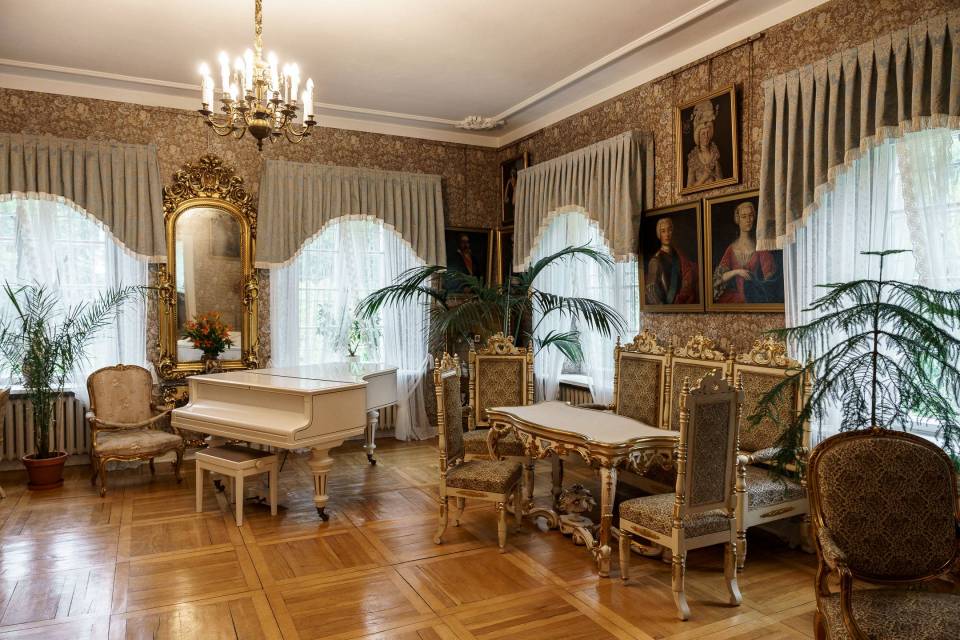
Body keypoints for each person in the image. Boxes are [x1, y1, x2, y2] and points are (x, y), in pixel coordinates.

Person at [712, 201, 782, 304]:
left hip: (753, 298)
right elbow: (718, 280)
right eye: (744, 216)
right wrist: (737, 272)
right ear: (738, 219)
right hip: (735, 300)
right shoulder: (731, 248)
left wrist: (759, 283)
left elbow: (769, 277)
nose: (748, 220)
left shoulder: (759, 246)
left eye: (750, 216)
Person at [645, 217, 699, 305]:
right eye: (663, 231)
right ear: (659, 234)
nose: (667, 234)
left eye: (669, 230)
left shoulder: (679, 255)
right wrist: (663, 307)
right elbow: (651, 291)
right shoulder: (655, 261)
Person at [686, 100, 723, 188]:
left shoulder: (715, 154)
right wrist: (704, 177)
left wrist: (714, 175)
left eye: (708, 133)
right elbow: (689, 188)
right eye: (703, 134)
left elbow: (721, 182)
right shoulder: (693, 159)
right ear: (698, 136)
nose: (706, 136)